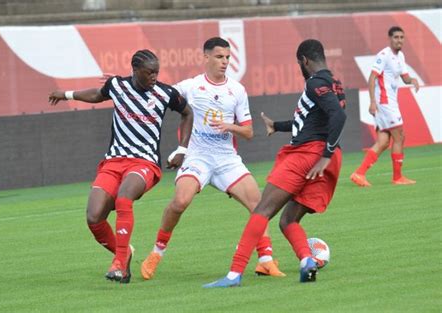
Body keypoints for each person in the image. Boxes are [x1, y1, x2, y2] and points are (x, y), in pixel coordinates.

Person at [203, 39, 346, 288]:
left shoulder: (315, 82)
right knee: (288, 220)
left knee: (261, 210)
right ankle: (307, 261)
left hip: (308, 156)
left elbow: (338, 115)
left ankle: (234, 274)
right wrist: (277, 126)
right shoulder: (335, 84)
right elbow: (314, 120)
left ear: (304, 61)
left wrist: (326, 153)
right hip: (324, 157)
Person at [140, 37, 285, 281]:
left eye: (228, 57)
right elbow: (161, 96)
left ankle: (265, 260)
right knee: (180, 202)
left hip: (226, 159)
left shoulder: (236, 90)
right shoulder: (191, 86)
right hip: (197, 156)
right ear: (206, 57)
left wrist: (230, 126)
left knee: (259, 205)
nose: (225, 62)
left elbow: (249, 132)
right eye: (219, 57)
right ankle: (156, 253)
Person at [48, 49, 193, 284]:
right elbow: (97, 94)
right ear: (135, 71)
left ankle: (119, 265)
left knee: (124, 198)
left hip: (144, 162)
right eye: (149, 73)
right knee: (94, 217)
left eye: (157, 72)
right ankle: (125, 254)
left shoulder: (166, 93)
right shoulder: (117, 86)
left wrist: (182, 149)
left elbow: (188, 113)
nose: (154, 77)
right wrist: (66, 94)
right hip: (113, 162)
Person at [350, 26, 420, 187]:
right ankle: (397, 177)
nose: (399, 40)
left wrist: (413, 80)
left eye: (402, 37)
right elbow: (372, 78)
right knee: (399, 136)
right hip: (384, 102)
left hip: (390, 102)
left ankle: (359, 173)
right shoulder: (384, 55)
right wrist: (373, 101)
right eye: (396, 37)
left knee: (383, 141)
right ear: (390, 39)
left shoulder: (400, 55)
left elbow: (404, 76)